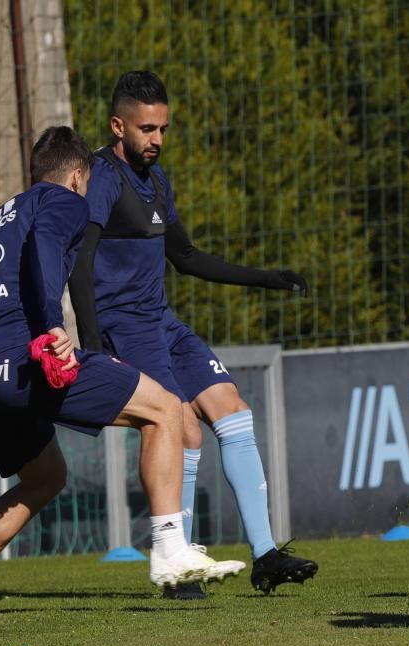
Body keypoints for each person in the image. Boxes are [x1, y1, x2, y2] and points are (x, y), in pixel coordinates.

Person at [0, 126, 243, 617]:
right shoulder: (64, 201)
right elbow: (48, 247)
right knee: (163, 409)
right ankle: (168, 548)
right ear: (77, 177)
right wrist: (52, 328)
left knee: (45, 476)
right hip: (25, 360)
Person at [68, 71, 317, 599]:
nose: (157, 139)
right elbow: (80, 263)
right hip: (123, 327)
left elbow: (184, 256)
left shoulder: (157, 180)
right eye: (147, 129)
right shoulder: (102, 176)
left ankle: (266, 555)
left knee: (233, 409)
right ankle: (175, 562)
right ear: (119, 125)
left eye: (163, 128)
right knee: (181, 427)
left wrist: (266, 278)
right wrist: (92, 350)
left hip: (162, 320)